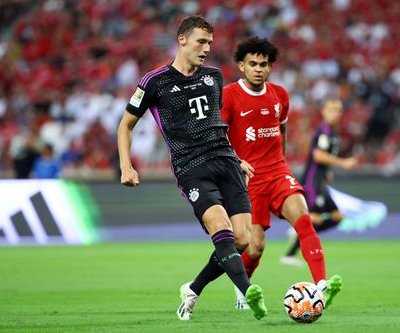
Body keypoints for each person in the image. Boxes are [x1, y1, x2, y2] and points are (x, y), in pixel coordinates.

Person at [117, 16, 267, 321]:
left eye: (210, 42)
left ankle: (193, 289)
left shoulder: (214, 76)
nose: (207, 48)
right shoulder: (154, 82)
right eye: (201, 41)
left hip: (226, 162)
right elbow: (125, 126)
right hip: (192, 168)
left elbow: (214, 125)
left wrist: (237, 158)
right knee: (221, 230)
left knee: (243, 240)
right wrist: (126, 166)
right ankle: (249, 290)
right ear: (182, 40)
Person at [221, 36, 342, 311]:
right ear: (241, 66)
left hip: (277, 172)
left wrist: (281, 163)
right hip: (248, 180)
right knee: (255, 248)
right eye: (252, 64)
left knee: (303, 219)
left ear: (270, 67)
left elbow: (282, 130)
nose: (259, 69)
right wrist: (235, 164)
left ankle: (321, 286)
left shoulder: (280, 95)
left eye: (264, 64)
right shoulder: (229, 95)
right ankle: (243, 290)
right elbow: (219, 137)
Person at [280, 98, 359, 266]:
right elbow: (318, 155)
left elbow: (322, 159)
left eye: (337, 110)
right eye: (330, 109)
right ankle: (290, 254)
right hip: (312, 182)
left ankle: (297, 235)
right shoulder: (324, 131)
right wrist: (343, 163)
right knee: (314, 219)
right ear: (323, 111)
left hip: (320, 181)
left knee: (338, 217)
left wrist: (327, 172)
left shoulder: (332, 132)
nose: (334, 113)